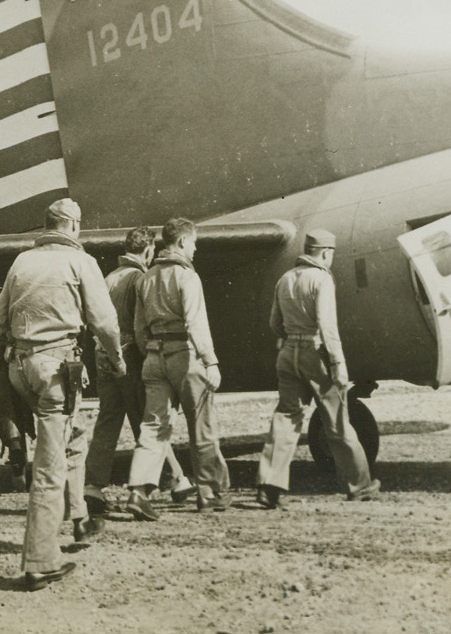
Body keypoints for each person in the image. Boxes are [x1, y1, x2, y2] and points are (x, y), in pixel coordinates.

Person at [0, 198, 126, 590]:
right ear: (74, 227)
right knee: (48, 468)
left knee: (72, 437)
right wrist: (116, 360)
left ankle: (79, 516)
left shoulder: (21, 263)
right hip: (56, 373)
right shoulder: (82, 263)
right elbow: (105, 322)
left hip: (20, 370)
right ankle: (40, 562)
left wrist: (0, 374)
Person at [256, 229, 379, 509]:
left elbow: (275, 322)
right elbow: (328, 326)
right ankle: (359, 485)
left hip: (288, 354)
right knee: (337, 421)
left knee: (285, 419)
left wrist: (291, 336)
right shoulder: (322, 279)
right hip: (315, 353)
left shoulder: (285, 279)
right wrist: (337, 363)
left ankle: (268, 485)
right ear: (325, 252)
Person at [125, 218, 230, 519]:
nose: (195, 249)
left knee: (153, 426)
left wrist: (153, 351)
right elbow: (197, 323)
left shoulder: (145, 278)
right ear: (182, 242)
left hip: (154, 357)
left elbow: (138, 327)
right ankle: (209, 494)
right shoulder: (188, 277)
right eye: (194, 243)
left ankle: (138, 491)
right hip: (185, 355)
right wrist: (210, 361)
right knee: (202, 425)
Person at [85, 226, 193, 515]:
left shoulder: (108, 278)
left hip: (102, 355)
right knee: (149, 420)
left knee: (108, 420)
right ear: (147, 251)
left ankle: (92, 487)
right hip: (129, 356)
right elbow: (139, 326)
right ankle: (176, 481)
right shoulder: (140, 279)